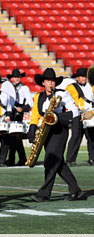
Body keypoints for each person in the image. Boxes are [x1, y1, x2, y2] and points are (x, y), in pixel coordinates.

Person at [28, 68, 87, 202]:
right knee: (58, 162)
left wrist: (57, 116)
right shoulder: (38, 97)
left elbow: (74, 112)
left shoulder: (63, 94)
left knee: (50, 161)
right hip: (45, 132)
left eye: (53, 81)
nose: (51, 83)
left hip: (59, 130)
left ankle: (44, 193)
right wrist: (31, 131)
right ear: (43, 83)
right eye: (48, 81)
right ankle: (76, 191)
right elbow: (35, 116)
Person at [65, 68, 94, 166]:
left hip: (89, 114)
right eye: (82, 76)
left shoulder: (91, 86)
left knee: (91, 137)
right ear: (77, 78)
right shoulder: (70, 87)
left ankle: (92, 159)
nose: (84, 78)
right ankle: (70, 159)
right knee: (76, 136)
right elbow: (67, 100)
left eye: (85, 77)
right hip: (77, 114)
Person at [6, 69, 33, 166]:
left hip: (18, 113)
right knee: (12, 137)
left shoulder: (24, 88)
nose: (16, 79)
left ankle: (14, 159)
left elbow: (30, 103)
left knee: (15, 136)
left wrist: (22, 109)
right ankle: (18, 158)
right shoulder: (9, 88)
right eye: (15, 77)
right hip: (10, 112)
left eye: (18, 77)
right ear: (11, 78)